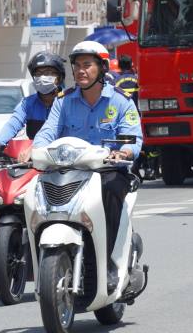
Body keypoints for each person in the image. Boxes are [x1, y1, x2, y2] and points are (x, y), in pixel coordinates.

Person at [32, 40, 141, 285]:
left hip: (108, 172)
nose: (81, 70)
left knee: (109, 193)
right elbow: (49, 130)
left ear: (102, 68)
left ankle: (112, 262)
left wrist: (123, 152)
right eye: (77, 65)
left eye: (87, 65)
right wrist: (34, 149)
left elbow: (133, 138)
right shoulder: (64, 100)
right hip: (69, 170)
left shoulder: (120, 101)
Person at [0, 51, 66, 159]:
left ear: (59, 77)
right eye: (38, 74)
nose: (42, 77)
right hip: (36, 159)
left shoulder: (68, 101)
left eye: (48, 72)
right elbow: (13, 124)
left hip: (66, 159)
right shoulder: (27, 103)